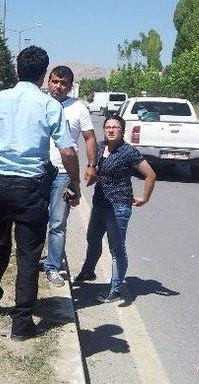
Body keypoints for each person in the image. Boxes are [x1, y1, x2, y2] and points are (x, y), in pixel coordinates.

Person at [0, 46, 81, 341]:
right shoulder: (49, 105)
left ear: (17, 70)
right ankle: (21, 324)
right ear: (44, 76)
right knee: (29, 254)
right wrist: (76, 185)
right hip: (31, 187)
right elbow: (67, 151)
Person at [74, 115, 156, 302]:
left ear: (122, 130)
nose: (111, 130)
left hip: (118, 206)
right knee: (92, 239)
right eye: (108, 127)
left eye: (115, 127)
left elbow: (150, 175)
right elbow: (95, 169)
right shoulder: (100, 147)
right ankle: (88, 273)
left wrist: (145, 198)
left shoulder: (129, 152)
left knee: (116, 249)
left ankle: (116, 289)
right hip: (100, 203)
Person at [44, 66, 98, 287]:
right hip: (36, 170)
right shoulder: (39, 104)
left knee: (57, 222)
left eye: (63, 83)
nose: (58, 86)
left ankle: (53, 267)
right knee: (33, 220)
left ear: (70, 86)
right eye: (55, 81)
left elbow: (89, 138)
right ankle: (33, 259)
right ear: (48, 81)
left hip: (63, 173)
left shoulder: (79, 109)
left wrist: (91, 164)